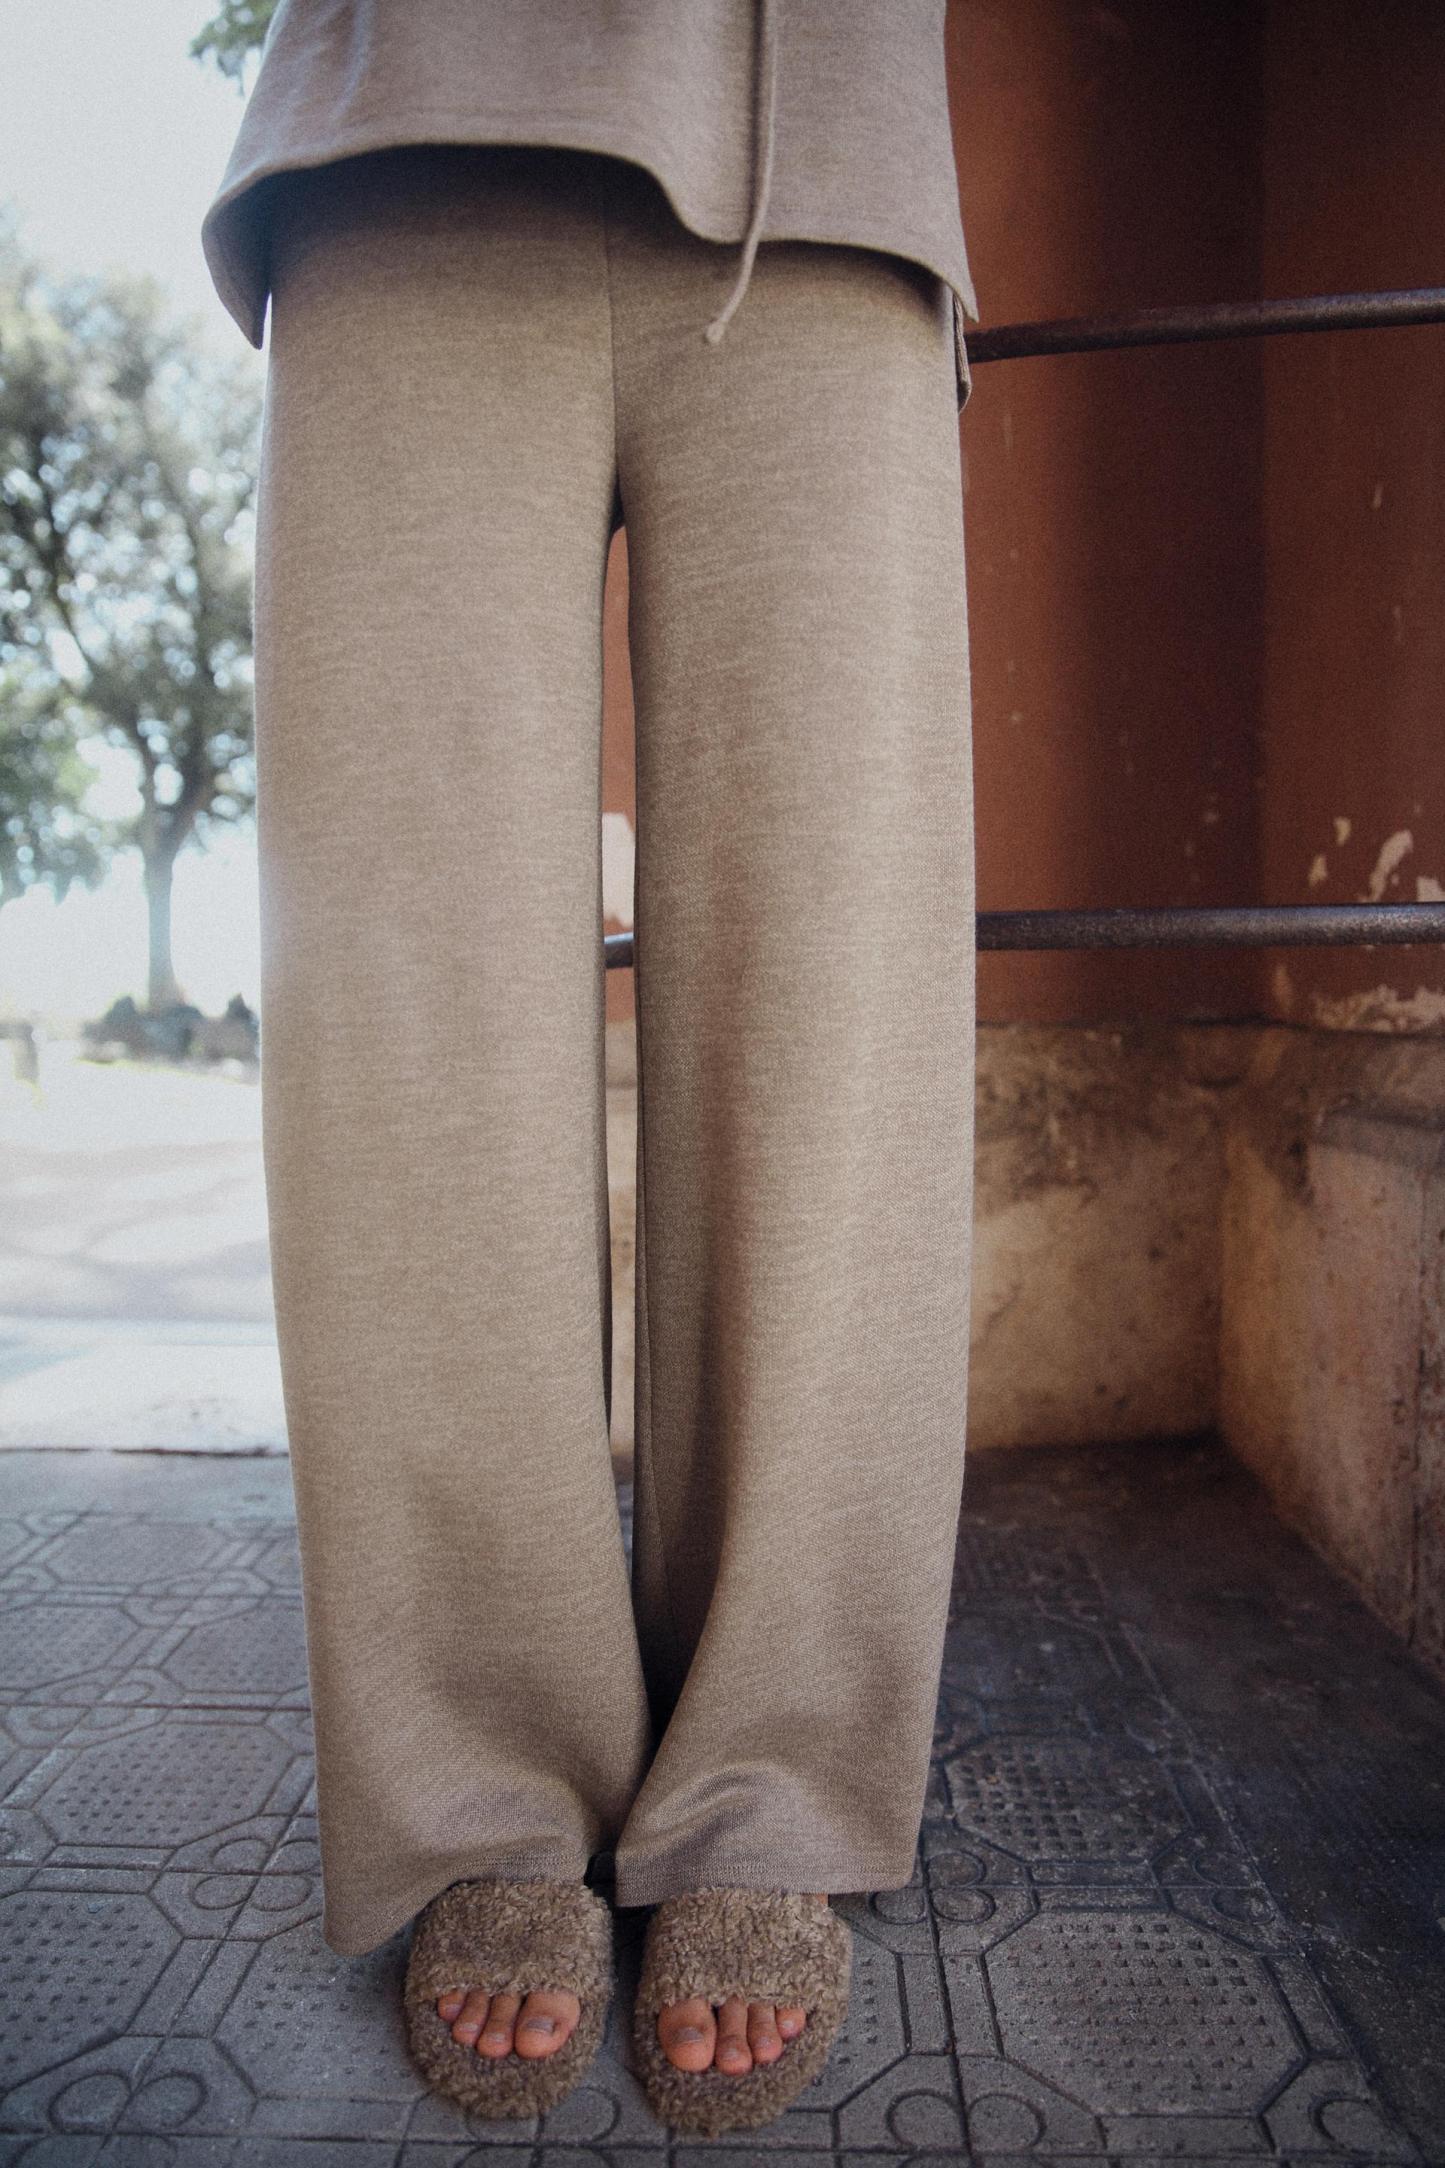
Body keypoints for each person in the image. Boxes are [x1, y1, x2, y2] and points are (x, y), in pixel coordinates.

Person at [200, 0, 979, 2137]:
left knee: (836, 1009)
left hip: (828, 174)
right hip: (403, 145)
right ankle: (478, 1783)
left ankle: (773, 1779)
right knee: (408, 1022)